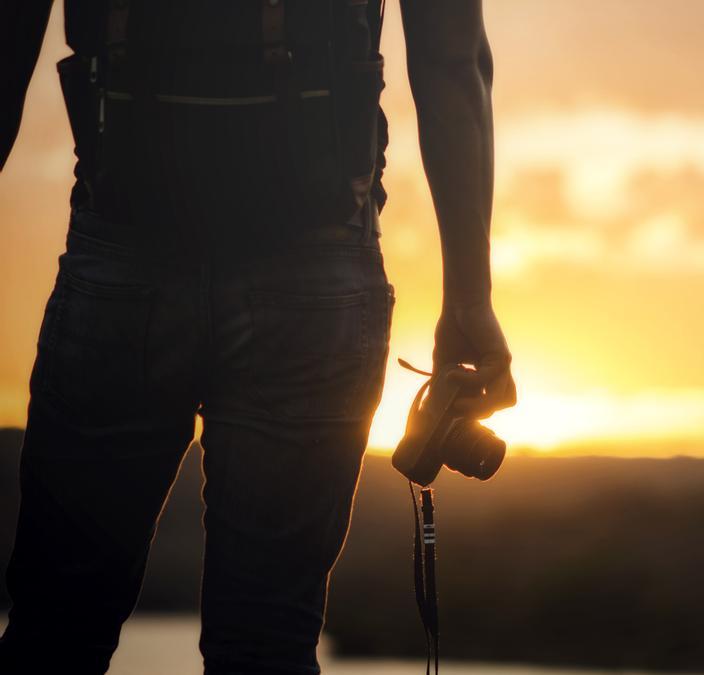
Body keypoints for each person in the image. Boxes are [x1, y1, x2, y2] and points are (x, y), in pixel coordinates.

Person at [0, 0, 516, 672]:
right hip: (315, 273)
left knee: (56, 629)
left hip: (123, 255)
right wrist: (470, 301)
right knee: (268, 642)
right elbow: (453, 59)